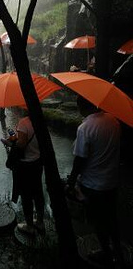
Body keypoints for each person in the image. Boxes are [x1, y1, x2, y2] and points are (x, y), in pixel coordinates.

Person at [66, 96, 123, 267]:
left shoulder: (85, 128)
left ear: (81, 107)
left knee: (98, 221)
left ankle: (105, 253)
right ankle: (118, 252)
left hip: (93, 184)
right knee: (111, 218)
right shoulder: (114, 120)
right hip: (112, 181)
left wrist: (71, 180)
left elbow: (79, 160)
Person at [2, 114, 45, 236]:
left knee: (26, 195)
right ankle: (40, 222)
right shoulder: (40, 120)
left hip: (25, 165)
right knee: (38, 192)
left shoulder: (24, 122)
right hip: (37, 162)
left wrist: (9, 142)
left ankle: (29, 225)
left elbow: (21, 144)